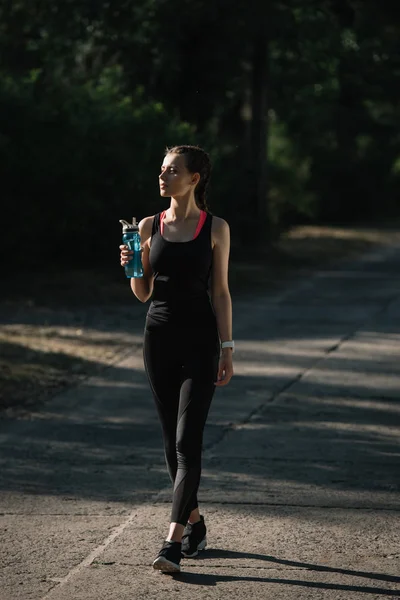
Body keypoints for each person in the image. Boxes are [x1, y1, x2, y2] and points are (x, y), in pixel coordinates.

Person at [119, 144, 234, 573]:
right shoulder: (149, 225)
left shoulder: (216, 227)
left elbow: (220, 293)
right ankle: (196, 523)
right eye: (161, 169)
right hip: (159, 338)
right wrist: (133, 265)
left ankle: (171, 541)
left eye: (171, 171)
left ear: (194, 179)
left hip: (201, 340)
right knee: (171, 444)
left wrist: (228, 347)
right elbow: (143, 292)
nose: (162, 177)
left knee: (189, 441)